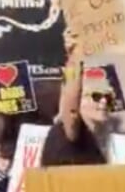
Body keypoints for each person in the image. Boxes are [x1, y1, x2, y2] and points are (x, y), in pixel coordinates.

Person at [42, 29, 112, 166]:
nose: (104, 101)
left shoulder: (99, 140)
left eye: (108, 97)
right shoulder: (70, 131)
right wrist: (74, 58)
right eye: (96, 96)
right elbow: (71, 107)